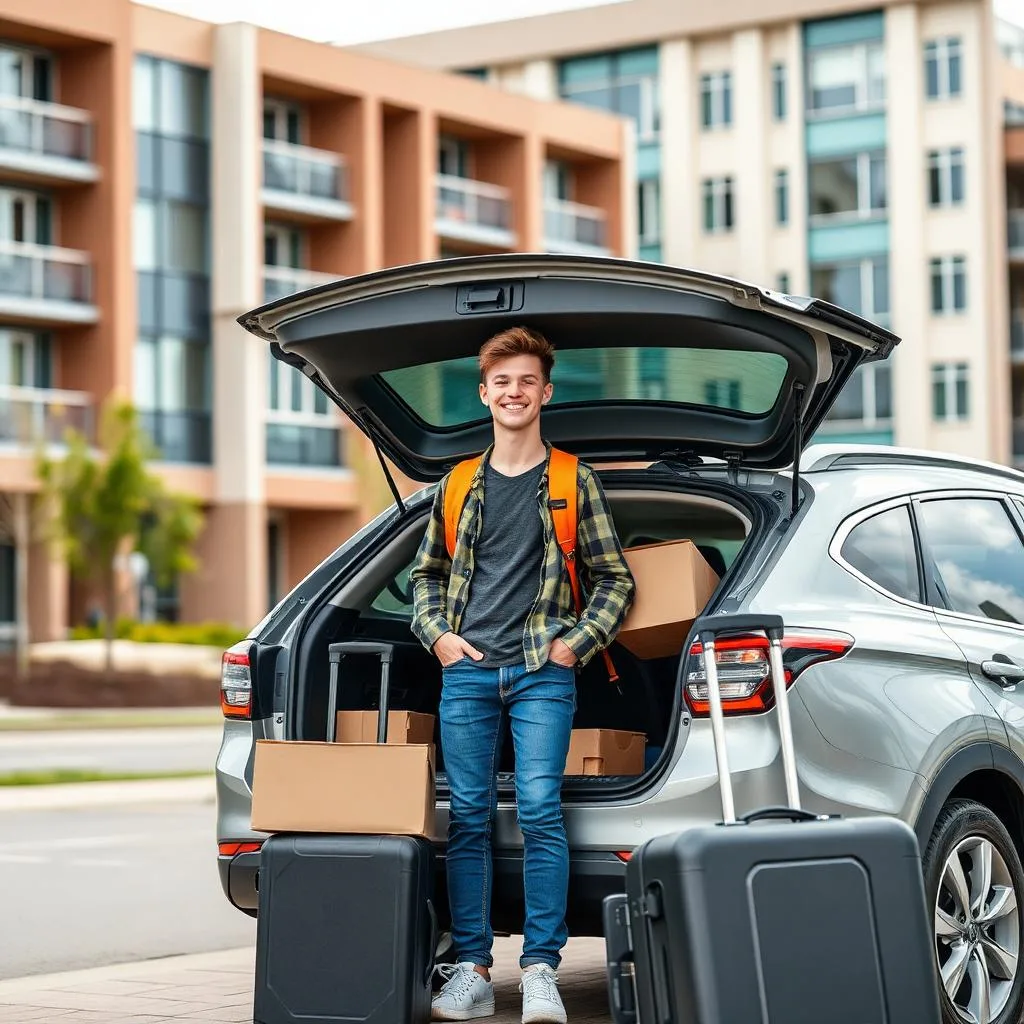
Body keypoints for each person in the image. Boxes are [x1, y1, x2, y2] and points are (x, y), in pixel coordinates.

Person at [409, 326, 636, 1023]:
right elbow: (425, 576)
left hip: (544, 671)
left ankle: (541, 970)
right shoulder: (457, 485)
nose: (514, 392)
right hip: (468, 673)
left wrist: (574, 644)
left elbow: (615, 579)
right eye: (501, 382)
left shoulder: (572, 481)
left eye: (526, 381)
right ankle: (474, 971)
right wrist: (441, 638)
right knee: (469, 818)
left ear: (545, 392)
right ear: (485, 394)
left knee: (540, 814)